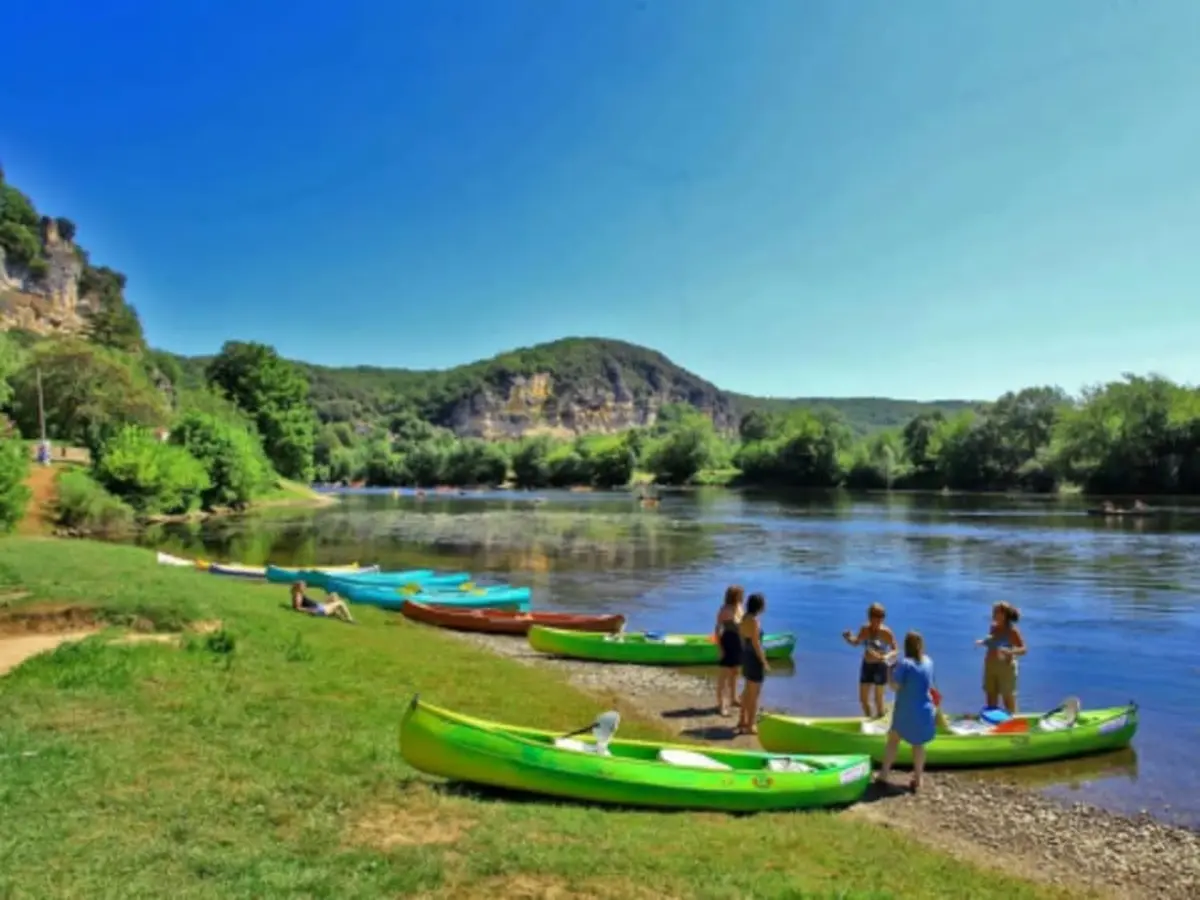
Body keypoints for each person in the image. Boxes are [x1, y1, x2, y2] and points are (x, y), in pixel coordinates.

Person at [876, 630, 938, 793]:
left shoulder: (905, 664)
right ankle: (918, 779)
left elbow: (895, 686)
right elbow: (928, 684)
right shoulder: (929, 662)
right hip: (924, 709)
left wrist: (889, 671)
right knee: (918, 745)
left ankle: (883, 775)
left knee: (893, 740)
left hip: (906, 710)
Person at [842, 603, 897, 718]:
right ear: (869, 617)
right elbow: (856, 642)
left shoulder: (886, 632)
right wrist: (848, 638)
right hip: (867, 665)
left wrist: (886, 657)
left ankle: (881, 718)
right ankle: (869, 719)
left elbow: (895, 649)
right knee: (863, 699)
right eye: (873, 617)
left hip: (880, 666)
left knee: (878, 700)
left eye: (879, 618)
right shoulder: (865, 629)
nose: (876, 621)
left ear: (882, 618)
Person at [976, 602, 1025, 712]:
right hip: (990, 665)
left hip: (1005, 668)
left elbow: (1023, 649)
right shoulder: (993, 627)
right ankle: (993, 723)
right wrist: (983, 642)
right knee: (990, 698)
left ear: (1004, 614)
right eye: (993, 612)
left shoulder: (1012, 631)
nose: (993, 614)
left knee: (1008, 698)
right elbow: (993, 642)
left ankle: (1013, 723)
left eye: (996, 612)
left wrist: (1011, 651)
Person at [736, 593, 769, 735]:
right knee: (754, 695)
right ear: (760, 606)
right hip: (755, 658)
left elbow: (743, 638)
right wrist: (764, 661)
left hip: (746, 656)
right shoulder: (755, 621)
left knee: (747, 691)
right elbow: (757, 644)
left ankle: (742, 720)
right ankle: (750, 725)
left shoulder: (744, 618)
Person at [714, 585, 745, 716]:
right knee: (724, 676)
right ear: (734, 596)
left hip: (739, 643)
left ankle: (734, 699)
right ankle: (721, 705)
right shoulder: (725, 610)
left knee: (735, 673)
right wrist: (720, 648)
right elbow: (717, 630)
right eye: (740, 594)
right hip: (728, 642)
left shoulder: (739, 607)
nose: (742, 596)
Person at [290, 581, 355, 624]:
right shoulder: (298, 595)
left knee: (333, 595)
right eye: (303, 586)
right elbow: (297, 608)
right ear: (298, 587)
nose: (305, 587)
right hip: (319, 610)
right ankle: (349, 619)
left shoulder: (298, 594)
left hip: (319, 606)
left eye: (305, 586)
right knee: (341, 603)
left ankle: (336, 614)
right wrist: (311, 610)